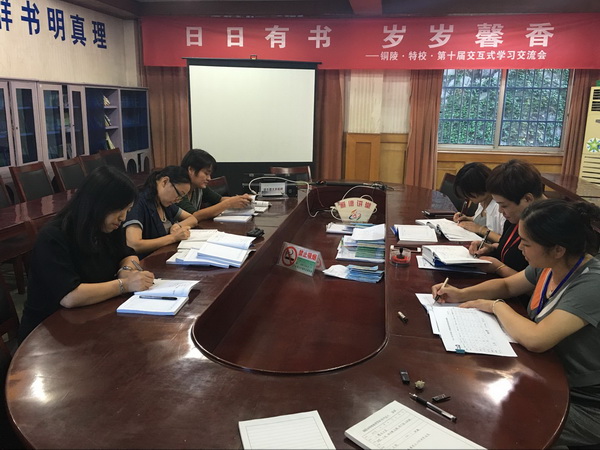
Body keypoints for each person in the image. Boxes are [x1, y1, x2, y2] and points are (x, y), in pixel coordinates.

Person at [432, 199, 600, 448]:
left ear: (558, 249)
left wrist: (495, 306)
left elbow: (537, 339)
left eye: (527, 243)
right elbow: (508, 285)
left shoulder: (591, 284)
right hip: (549, 377)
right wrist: (461, 294)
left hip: (585, 401)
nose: (519, 247)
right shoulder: (552, 265)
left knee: (501, 421)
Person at [18, 166, 155, 342]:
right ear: (99, 204)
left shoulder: (106, 227)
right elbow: (70, 296)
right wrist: (125, 284)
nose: (123, 218)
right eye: (120, 210)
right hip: (49, 333)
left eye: (127, 211)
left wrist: (127, 269)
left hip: (91, 318)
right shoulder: (54, 236)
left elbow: (127, 254)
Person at [469, 159, 546, 277]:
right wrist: (491, 248)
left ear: (527, 199)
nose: (500, 211)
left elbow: (536, 283)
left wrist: (499, 268)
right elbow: (509, 250)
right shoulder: (517, 216)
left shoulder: (548, 228)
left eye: (504, 205)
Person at [124, 165, 198, 259]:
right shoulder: (139, 202)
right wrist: (173, 237)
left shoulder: (164, 202)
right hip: (146, 261)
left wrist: (178, 225)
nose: (178, 200)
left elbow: (193, 219)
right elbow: (133, 244)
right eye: (179, 194)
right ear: (165, 182)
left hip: (165, 256)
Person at [178, 149, 252, 221]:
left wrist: (240, 199)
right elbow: (194, 216)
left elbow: (219, 199)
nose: (209, 178)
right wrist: (229, 203)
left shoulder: (198, 187)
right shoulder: (178, 189)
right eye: (206, 173)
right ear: (191, 170)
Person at [452, 162, 505, 243]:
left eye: (469, 193)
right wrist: (468, 218)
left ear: (479, 188)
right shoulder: (482, 201)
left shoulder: (501, 207)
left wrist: (480, 229)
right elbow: (484, 220)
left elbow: (505, 241)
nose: (467, 198)